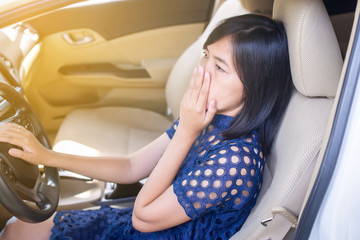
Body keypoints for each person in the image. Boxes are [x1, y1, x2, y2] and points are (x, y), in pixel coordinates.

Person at [0, 14, 292, 240]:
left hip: (149, 226)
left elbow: (143, 217)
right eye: (205, 55)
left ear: (254, 87)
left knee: (17, 230)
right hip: (145, 223)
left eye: (219, 67)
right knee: (18, 227)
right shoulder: (210, 117)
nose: (201, 70)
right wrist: (46, 157)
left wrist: (187, 130)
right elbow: (131, 167)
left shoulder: (235, 160)